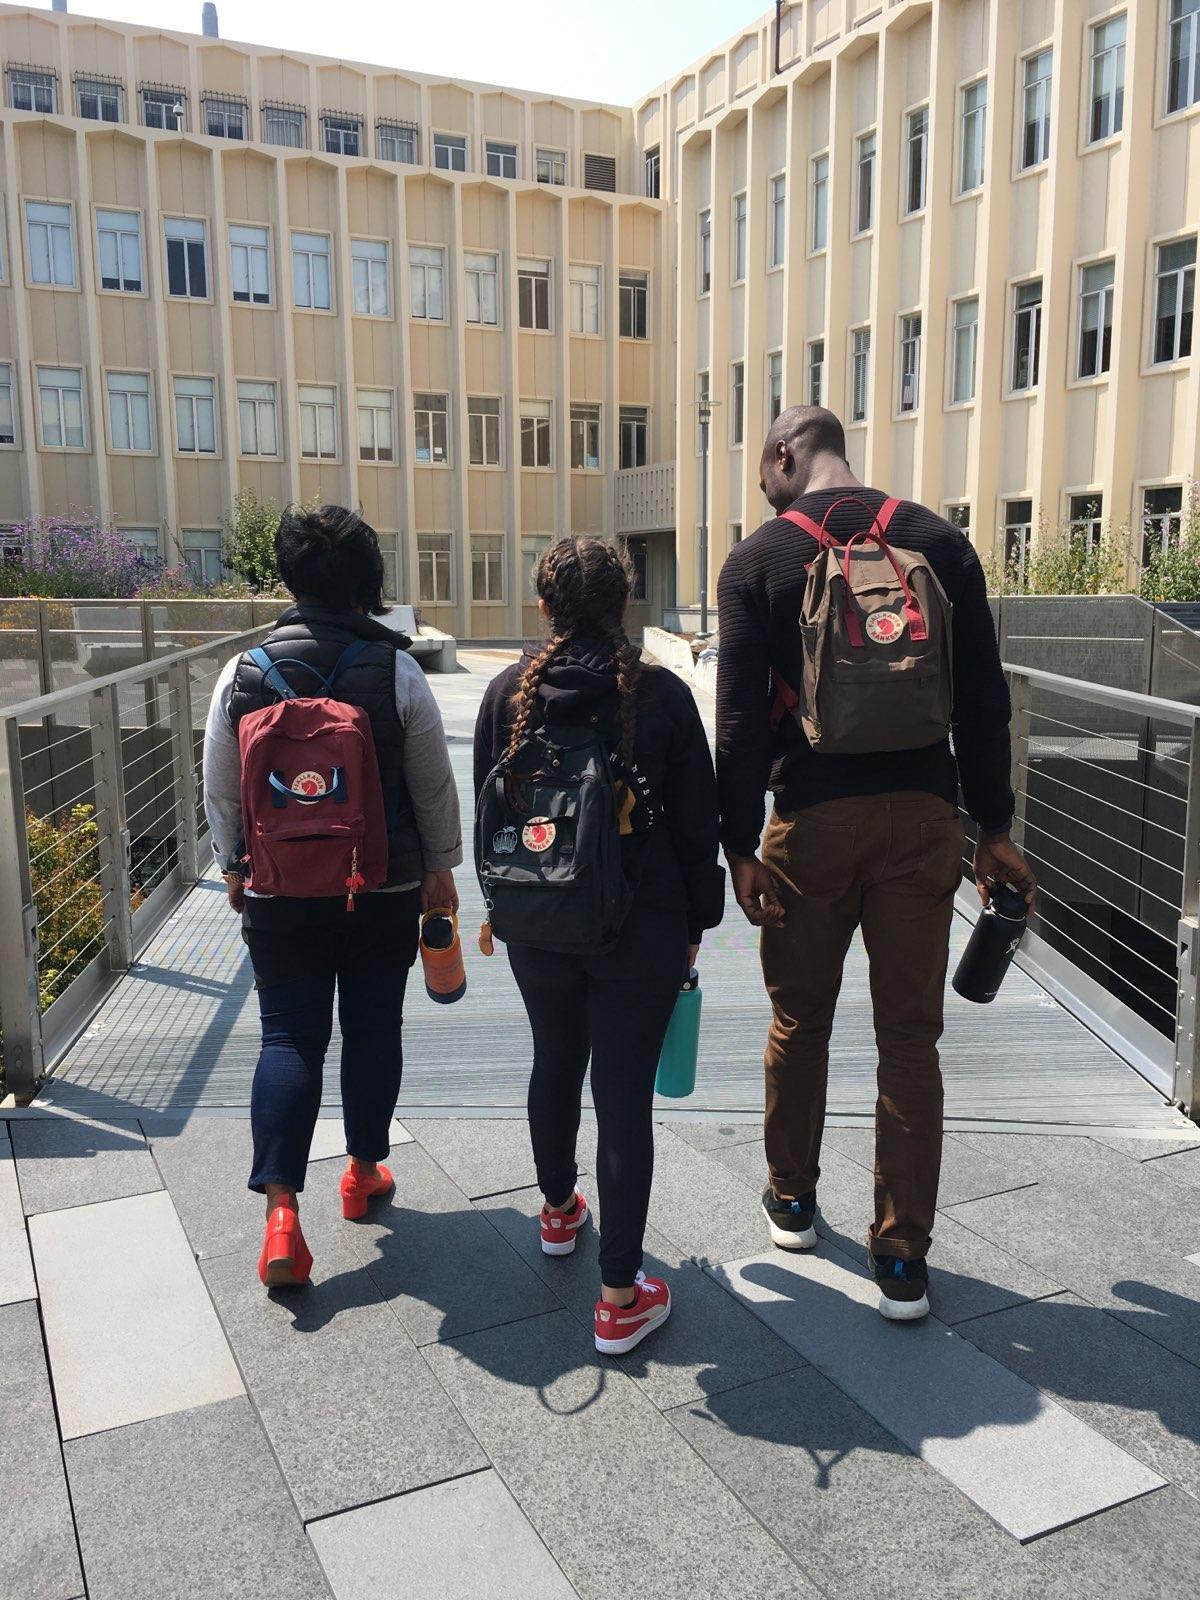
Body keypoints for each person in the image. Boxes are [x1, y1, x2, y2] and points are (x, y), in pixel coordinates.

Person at [717, 406, 1036, 1321]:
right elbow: (983, 702)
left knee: (798, 1019)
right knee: (909, 1037)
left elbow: (737, 725)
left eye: (762, 469)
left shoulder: (759, 561)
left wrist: (738, 849)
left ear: (783, 456)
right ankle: (901, 1256)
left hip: (809, 824)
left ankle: (791, 1199)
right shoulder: (940, 541)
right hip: (925, 821)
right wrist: (996, 830)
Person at [475, 537, 725, 1354]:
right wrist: (695, 926)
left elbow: (490, 816)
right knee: (623, 1097)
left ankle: (556, 1216)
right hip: (640, 925)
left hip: (536, 921)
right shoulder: (658, 695)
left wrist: (499, 903)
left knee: (554, 1059)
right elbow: (698, 826)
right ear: (625, 606)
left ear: (545, 607)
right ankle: (620, 1297)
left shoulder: (510, 692)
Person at [203, 505, 461, 1287]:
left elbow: (218, 786)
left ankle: (282, 1215)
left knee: (287, 1036)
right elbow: (432, 788)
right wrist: (440, 872)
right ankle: (360, 1173)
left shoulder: (244, 671)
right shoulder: (396, 669)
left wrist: (234, 867)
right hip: (378, 882)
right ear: (366, 581)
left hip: (280, 887)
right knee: (372, 1024)